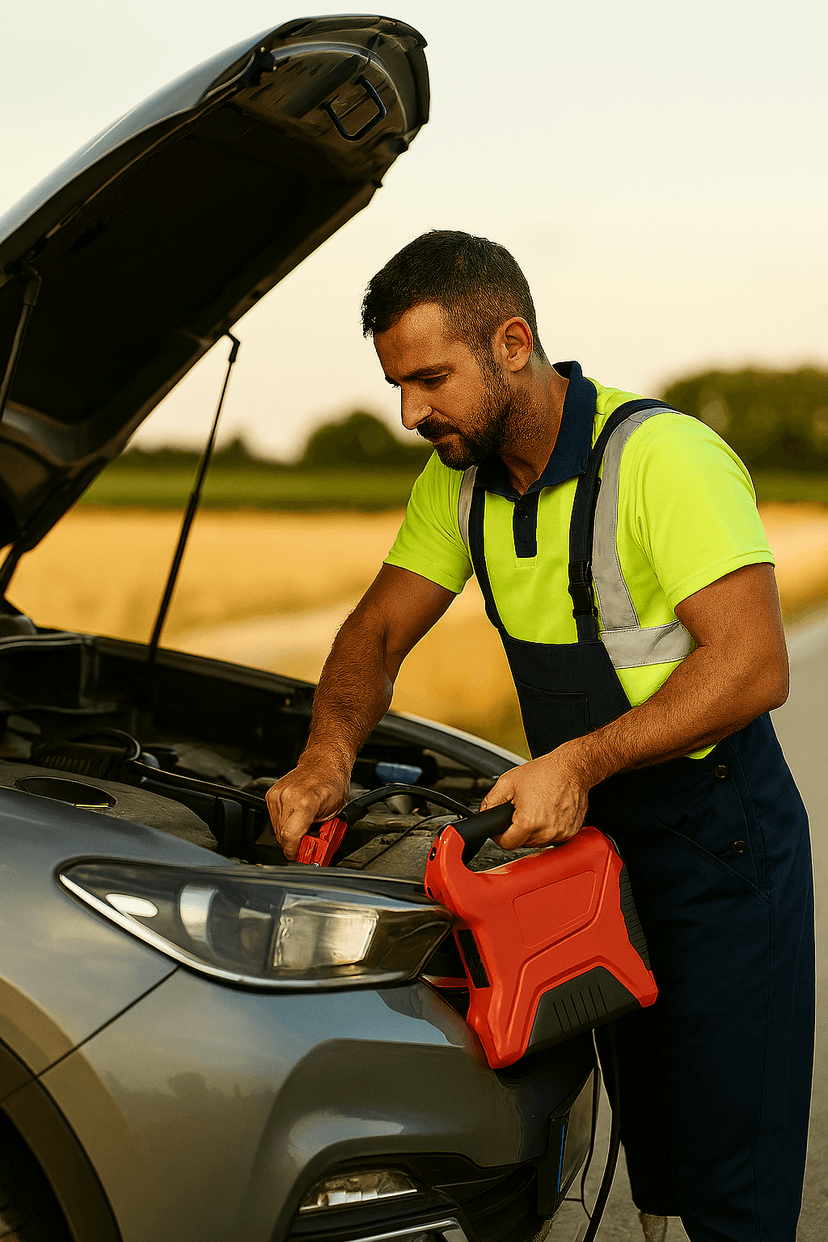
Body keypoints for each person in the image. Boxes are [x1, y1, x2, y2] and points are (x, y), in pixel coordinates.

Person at [266, 231, 814, 1242]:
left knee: (734, 1153)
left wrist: (584, 759)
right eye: (396, 385)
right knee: (645, 1123)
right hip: (591, 846)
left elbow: (752, 666)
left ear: (512, 342)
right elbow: (377, 631)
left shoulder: (661, 458)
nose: (410, 414)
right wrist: (326, 756)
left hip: (717, 839)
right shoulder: (461, 479)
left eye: (431, 378)